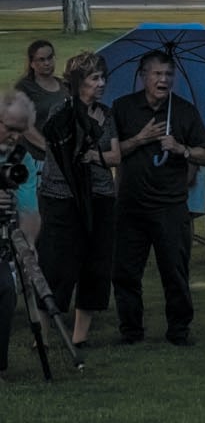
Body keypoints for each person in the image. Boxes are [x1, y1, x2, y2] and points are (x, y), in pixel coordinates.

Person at [112, 51, 205, 346]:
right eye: (157, 74)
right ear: (143, 76)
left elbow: (204, 154)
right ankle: (131, 331)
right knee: (126, 272)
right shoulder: (123, 108)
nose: (163, 80)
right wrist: (140, 139)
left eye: (168, 75)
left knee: (175, 271)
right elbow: (112, 154)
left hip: (170, 205)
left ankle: (179, 330)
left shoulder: (184, 111)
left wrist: (181, 149)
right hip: (131, 204)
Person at [36, 51, 120, 347]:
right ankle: (44, 334)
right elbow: (67, 155)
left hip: (99, 196)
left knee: (96, 262)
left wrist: (93, 155)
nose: (101, 83)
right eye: (94, 78)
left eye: (102, 77)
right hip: (62, 197)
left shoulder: (107, 113)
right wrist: (91, 144)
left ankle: (80, 336)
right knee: (56, 262)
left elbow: (115, 155)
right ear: (77, 82)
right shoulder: (61, 112)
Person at [14, 39, 66, 243]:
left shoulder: (63, 85)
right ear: (32, 63)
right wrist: (49, 147)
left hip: (59, 160)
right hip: (34, 159)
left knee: (55, 212)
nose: (47, 63)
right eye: (41, 59)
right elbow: (25, 127)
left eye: (50, 58)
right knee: (34, 210)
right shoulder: (25, 87)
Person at [1, 90, 38, 377]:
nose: (14, 136)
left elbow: (29, 208)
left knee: (6, 290)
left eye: (20, 131)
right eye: (9, 128)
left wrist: (27, 248)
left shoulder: (21, 159)